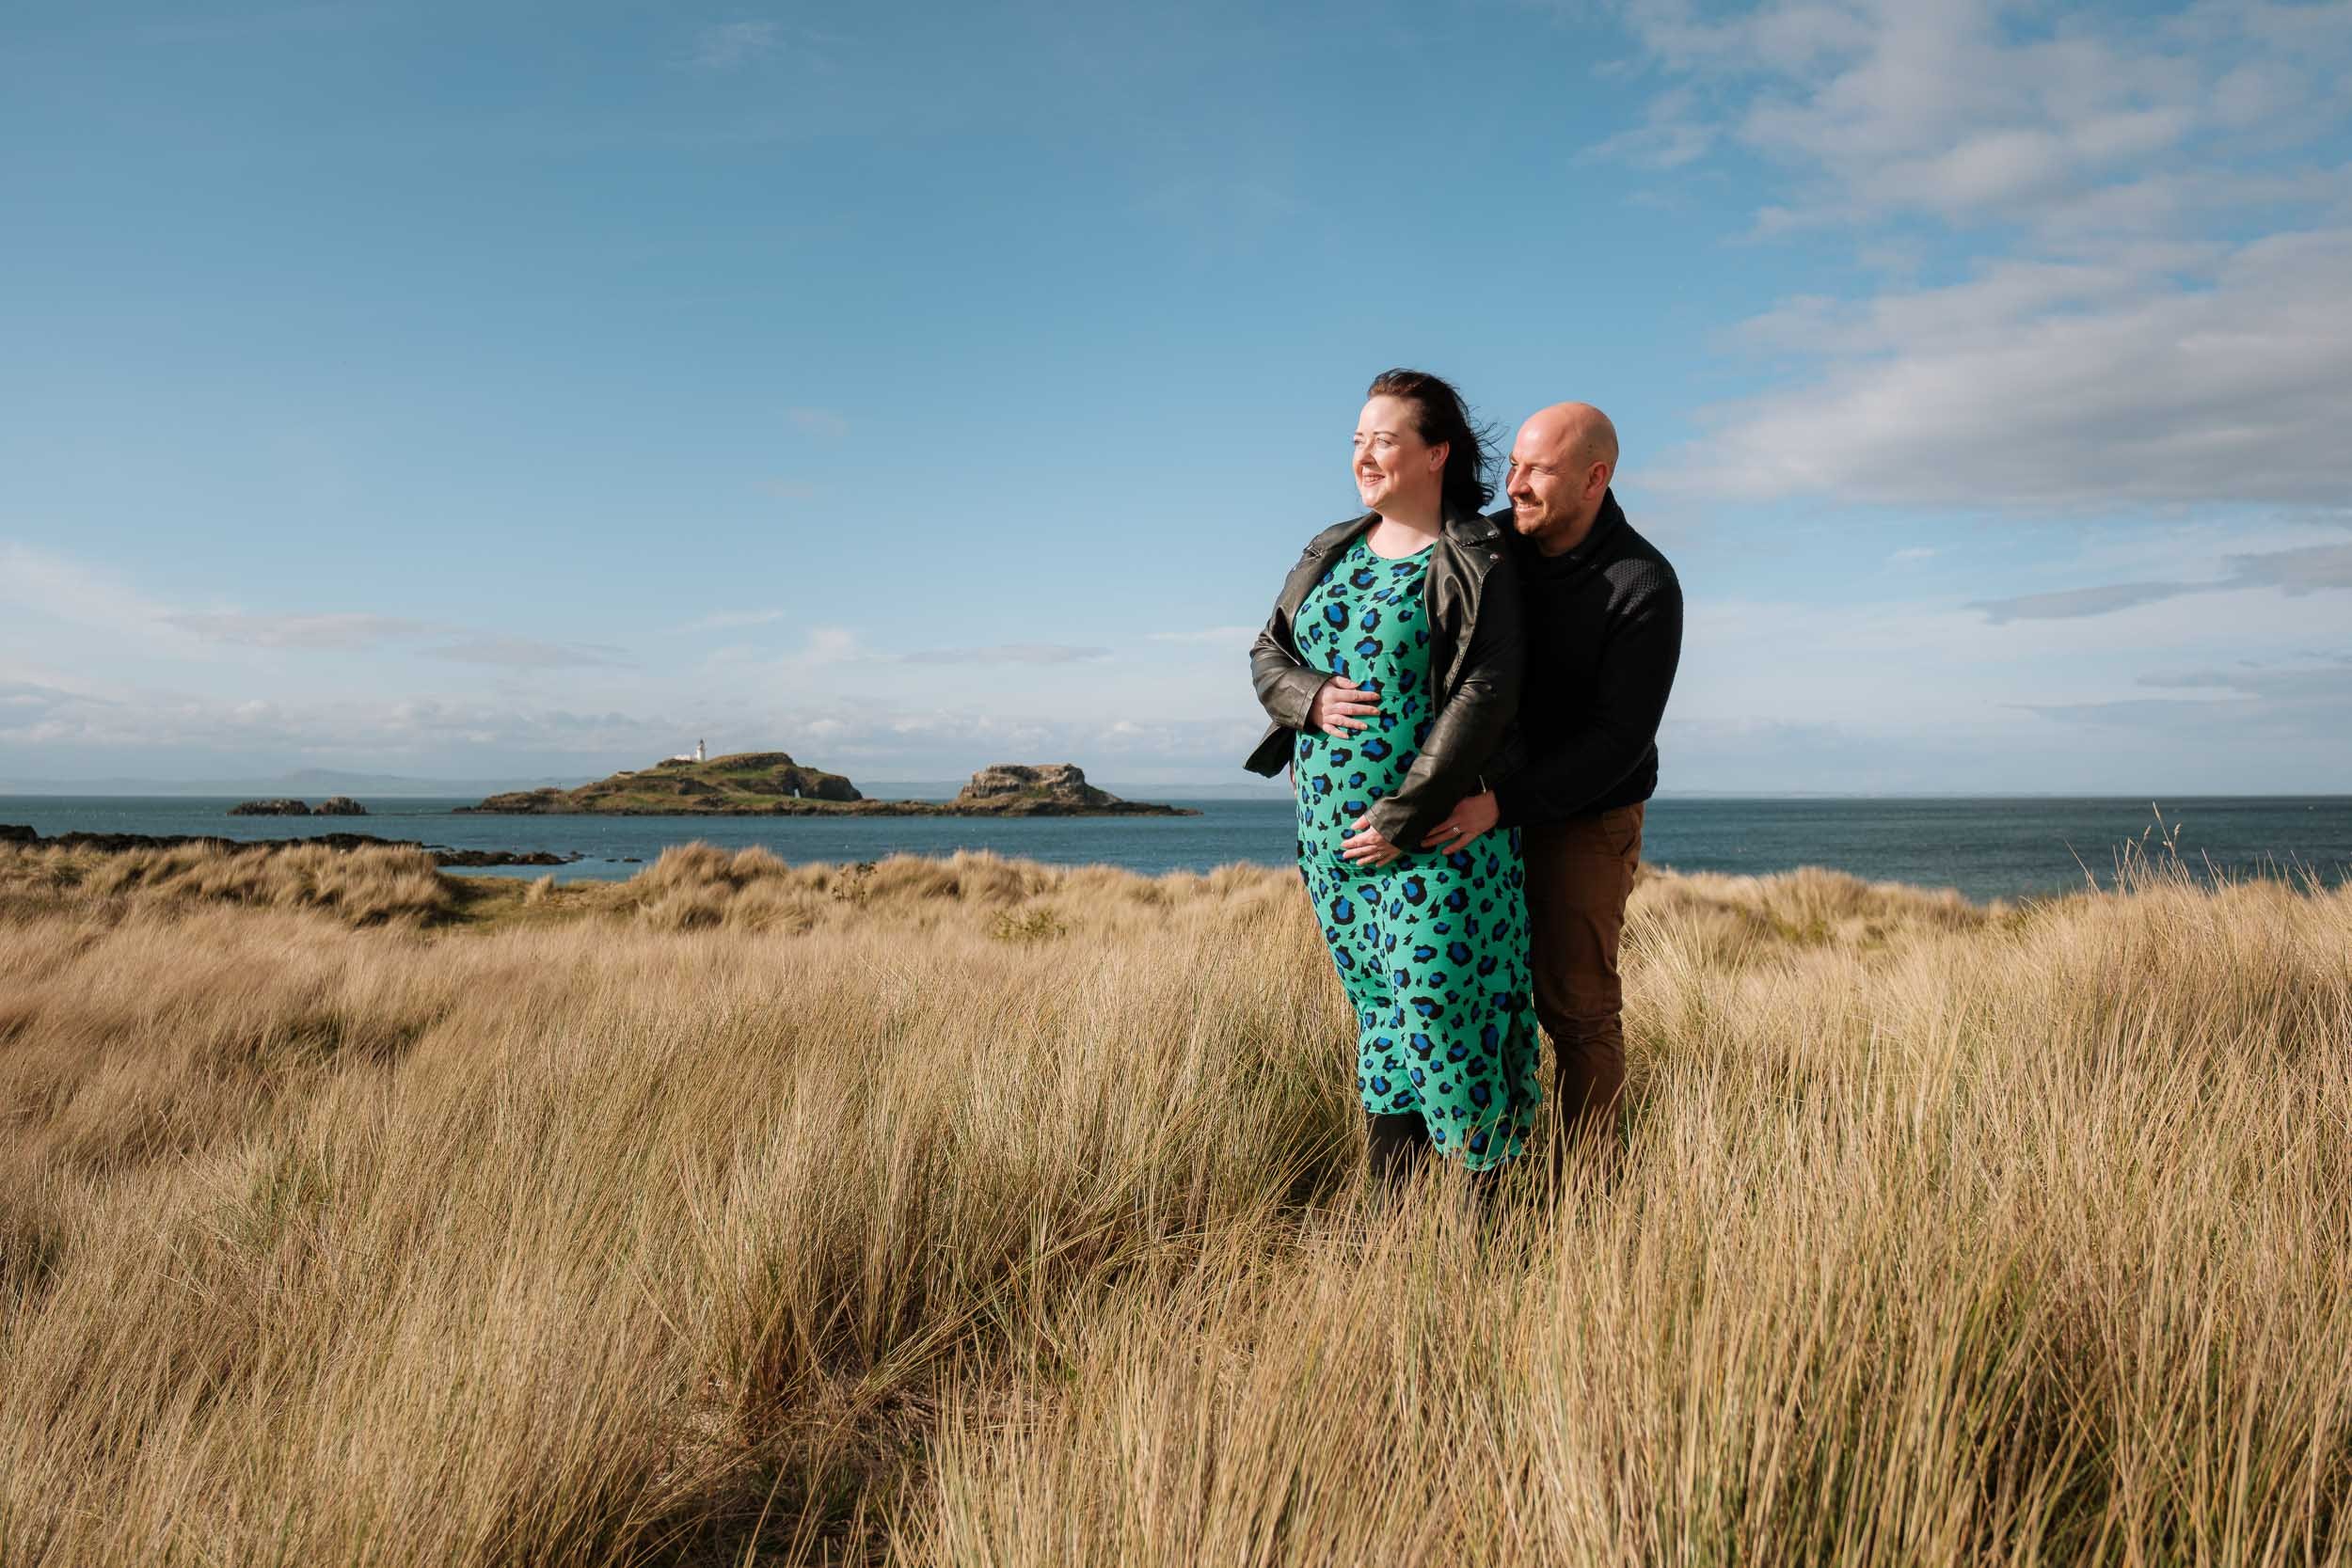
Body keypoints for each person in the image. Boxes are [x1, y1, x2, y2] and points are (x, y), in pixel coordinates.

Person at [1244, 369, 1542, 1195]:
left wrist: (1406, 815)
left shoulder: (1475, 553)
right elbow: (1268, 651)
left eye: (1384, 439)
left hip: (1433, 841)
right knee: (1380, 1021)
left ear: (1436, 452)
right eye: (1356, 441)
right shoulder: (1331, 547)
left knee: (1445, 1019)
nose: (1364, 456)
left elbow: (1487, 689)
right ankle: (1395, 1232)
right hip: (1330, 844)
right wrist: (1308, 694)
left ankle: (1497, 1231)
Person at [1414, 403, 1682, 1180]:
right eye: (1513, 467)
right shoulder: (1490, 546)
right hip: (1479, 805)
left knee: (1576, 1006)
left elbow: (1616, 742)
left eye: (1538, 470)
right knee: (1476, 989)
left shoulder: (1644, 582)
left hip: (1586, 814)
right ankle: (1495, 1168)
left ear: (1596, 478)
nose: (1515, 484)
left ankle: (1589, 1191)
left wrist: (1502, 804)